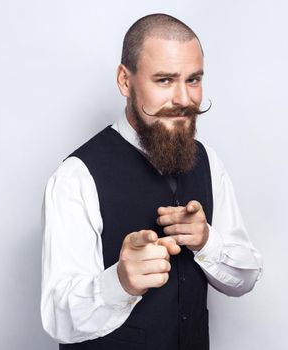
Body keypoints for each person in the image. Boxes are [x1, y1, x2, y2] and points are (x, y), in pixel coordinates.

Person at [41, 13, 263, 350]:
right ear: (125, 81)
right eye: (164, 80)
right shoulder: (76, 176)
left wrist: (206, 242)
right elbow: (59, 317)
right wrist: (119, 282)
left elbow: (245, 278)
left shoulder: (209, 162)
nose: (184, 99)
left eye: (193, 80)